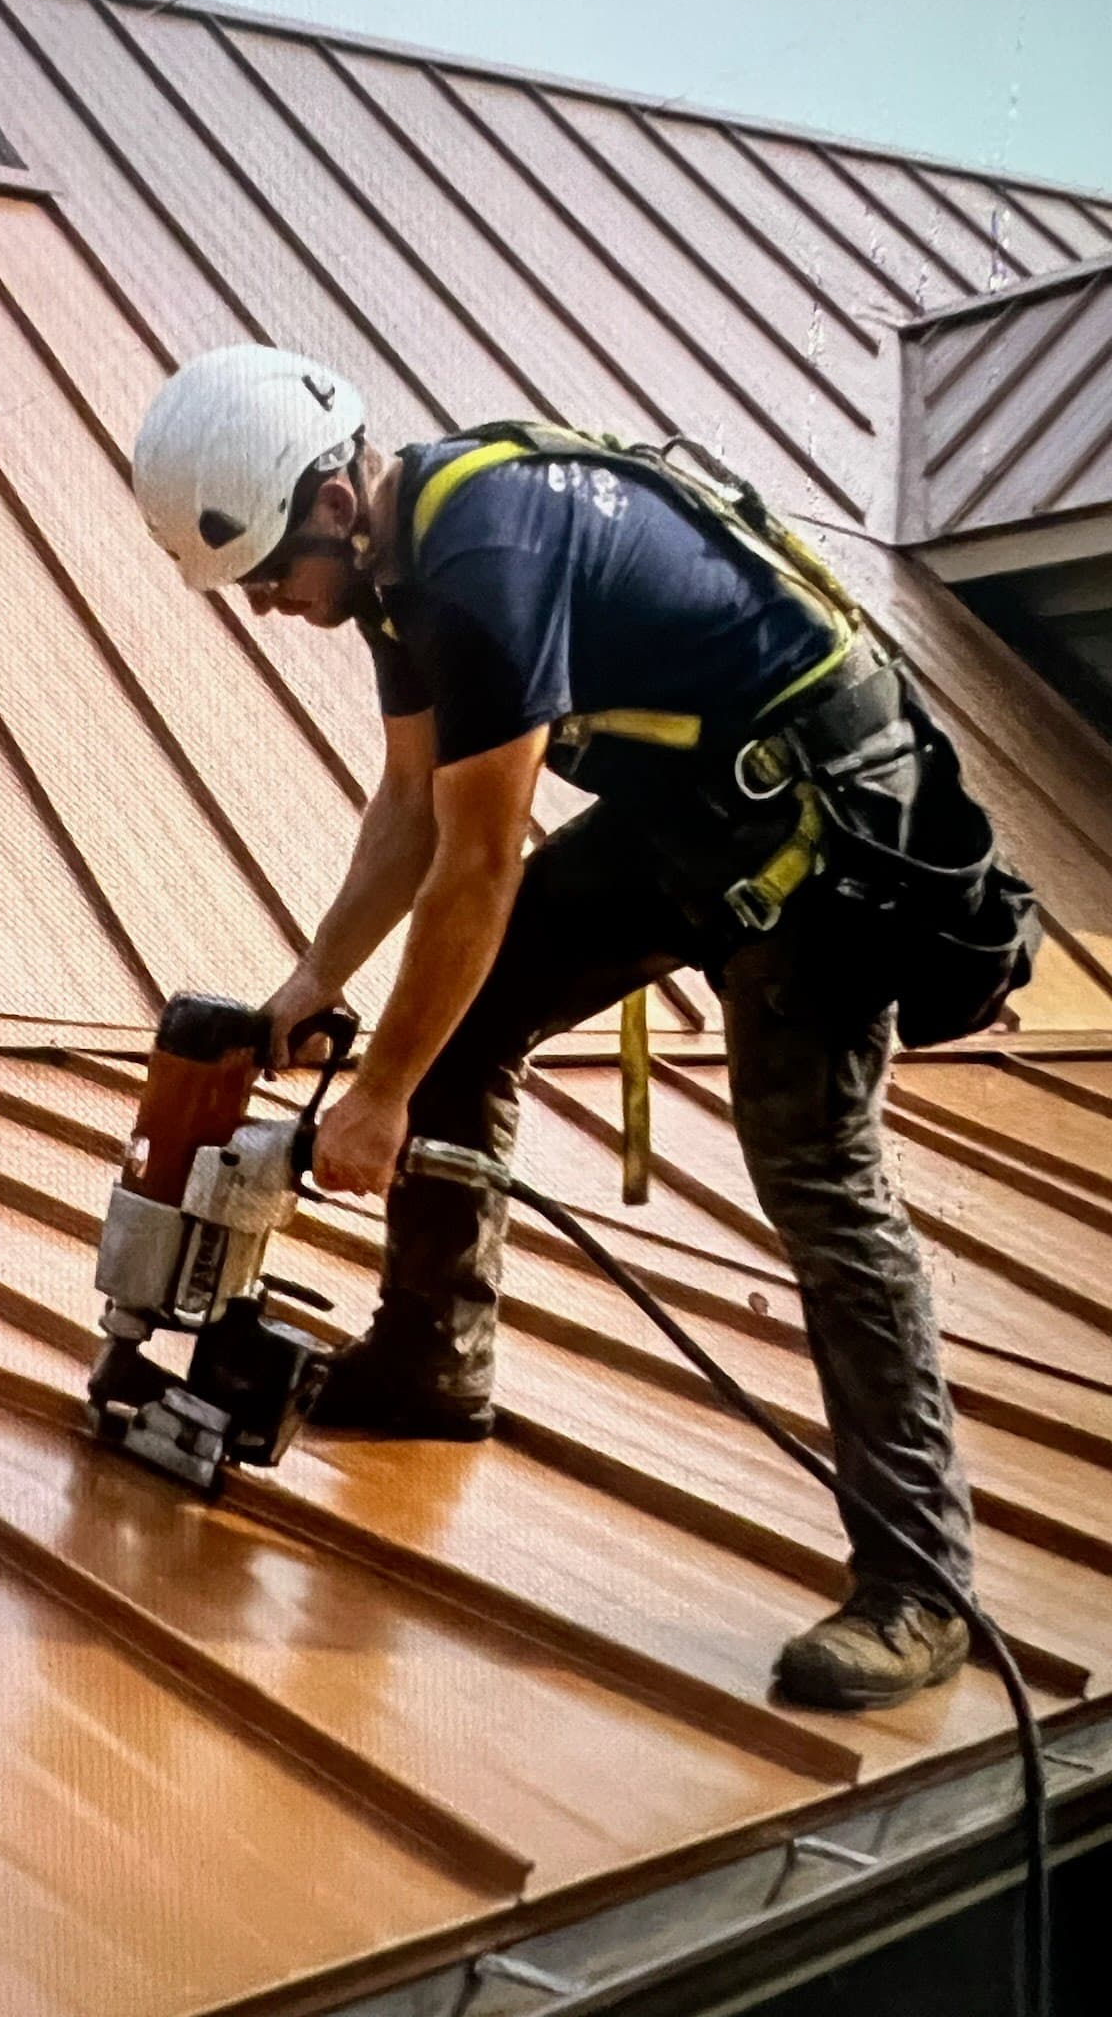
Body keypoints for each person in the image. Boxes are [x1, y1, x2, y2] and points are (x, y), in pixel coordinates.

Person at [132, 343, 1025, 1712]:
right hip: (698, 805)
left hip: (830, 830)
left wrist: (378, 1100)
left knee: (821, 1184)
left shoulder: (474, 564)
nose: (264, 609)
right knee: (457, 1021)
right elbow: (413, 805)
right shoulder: (399, 565)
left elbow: (480, 867)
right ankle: (436, 1362)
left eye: (265, 575)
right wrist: (316, 984)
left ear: (324, 501)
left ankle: (921, 1591)